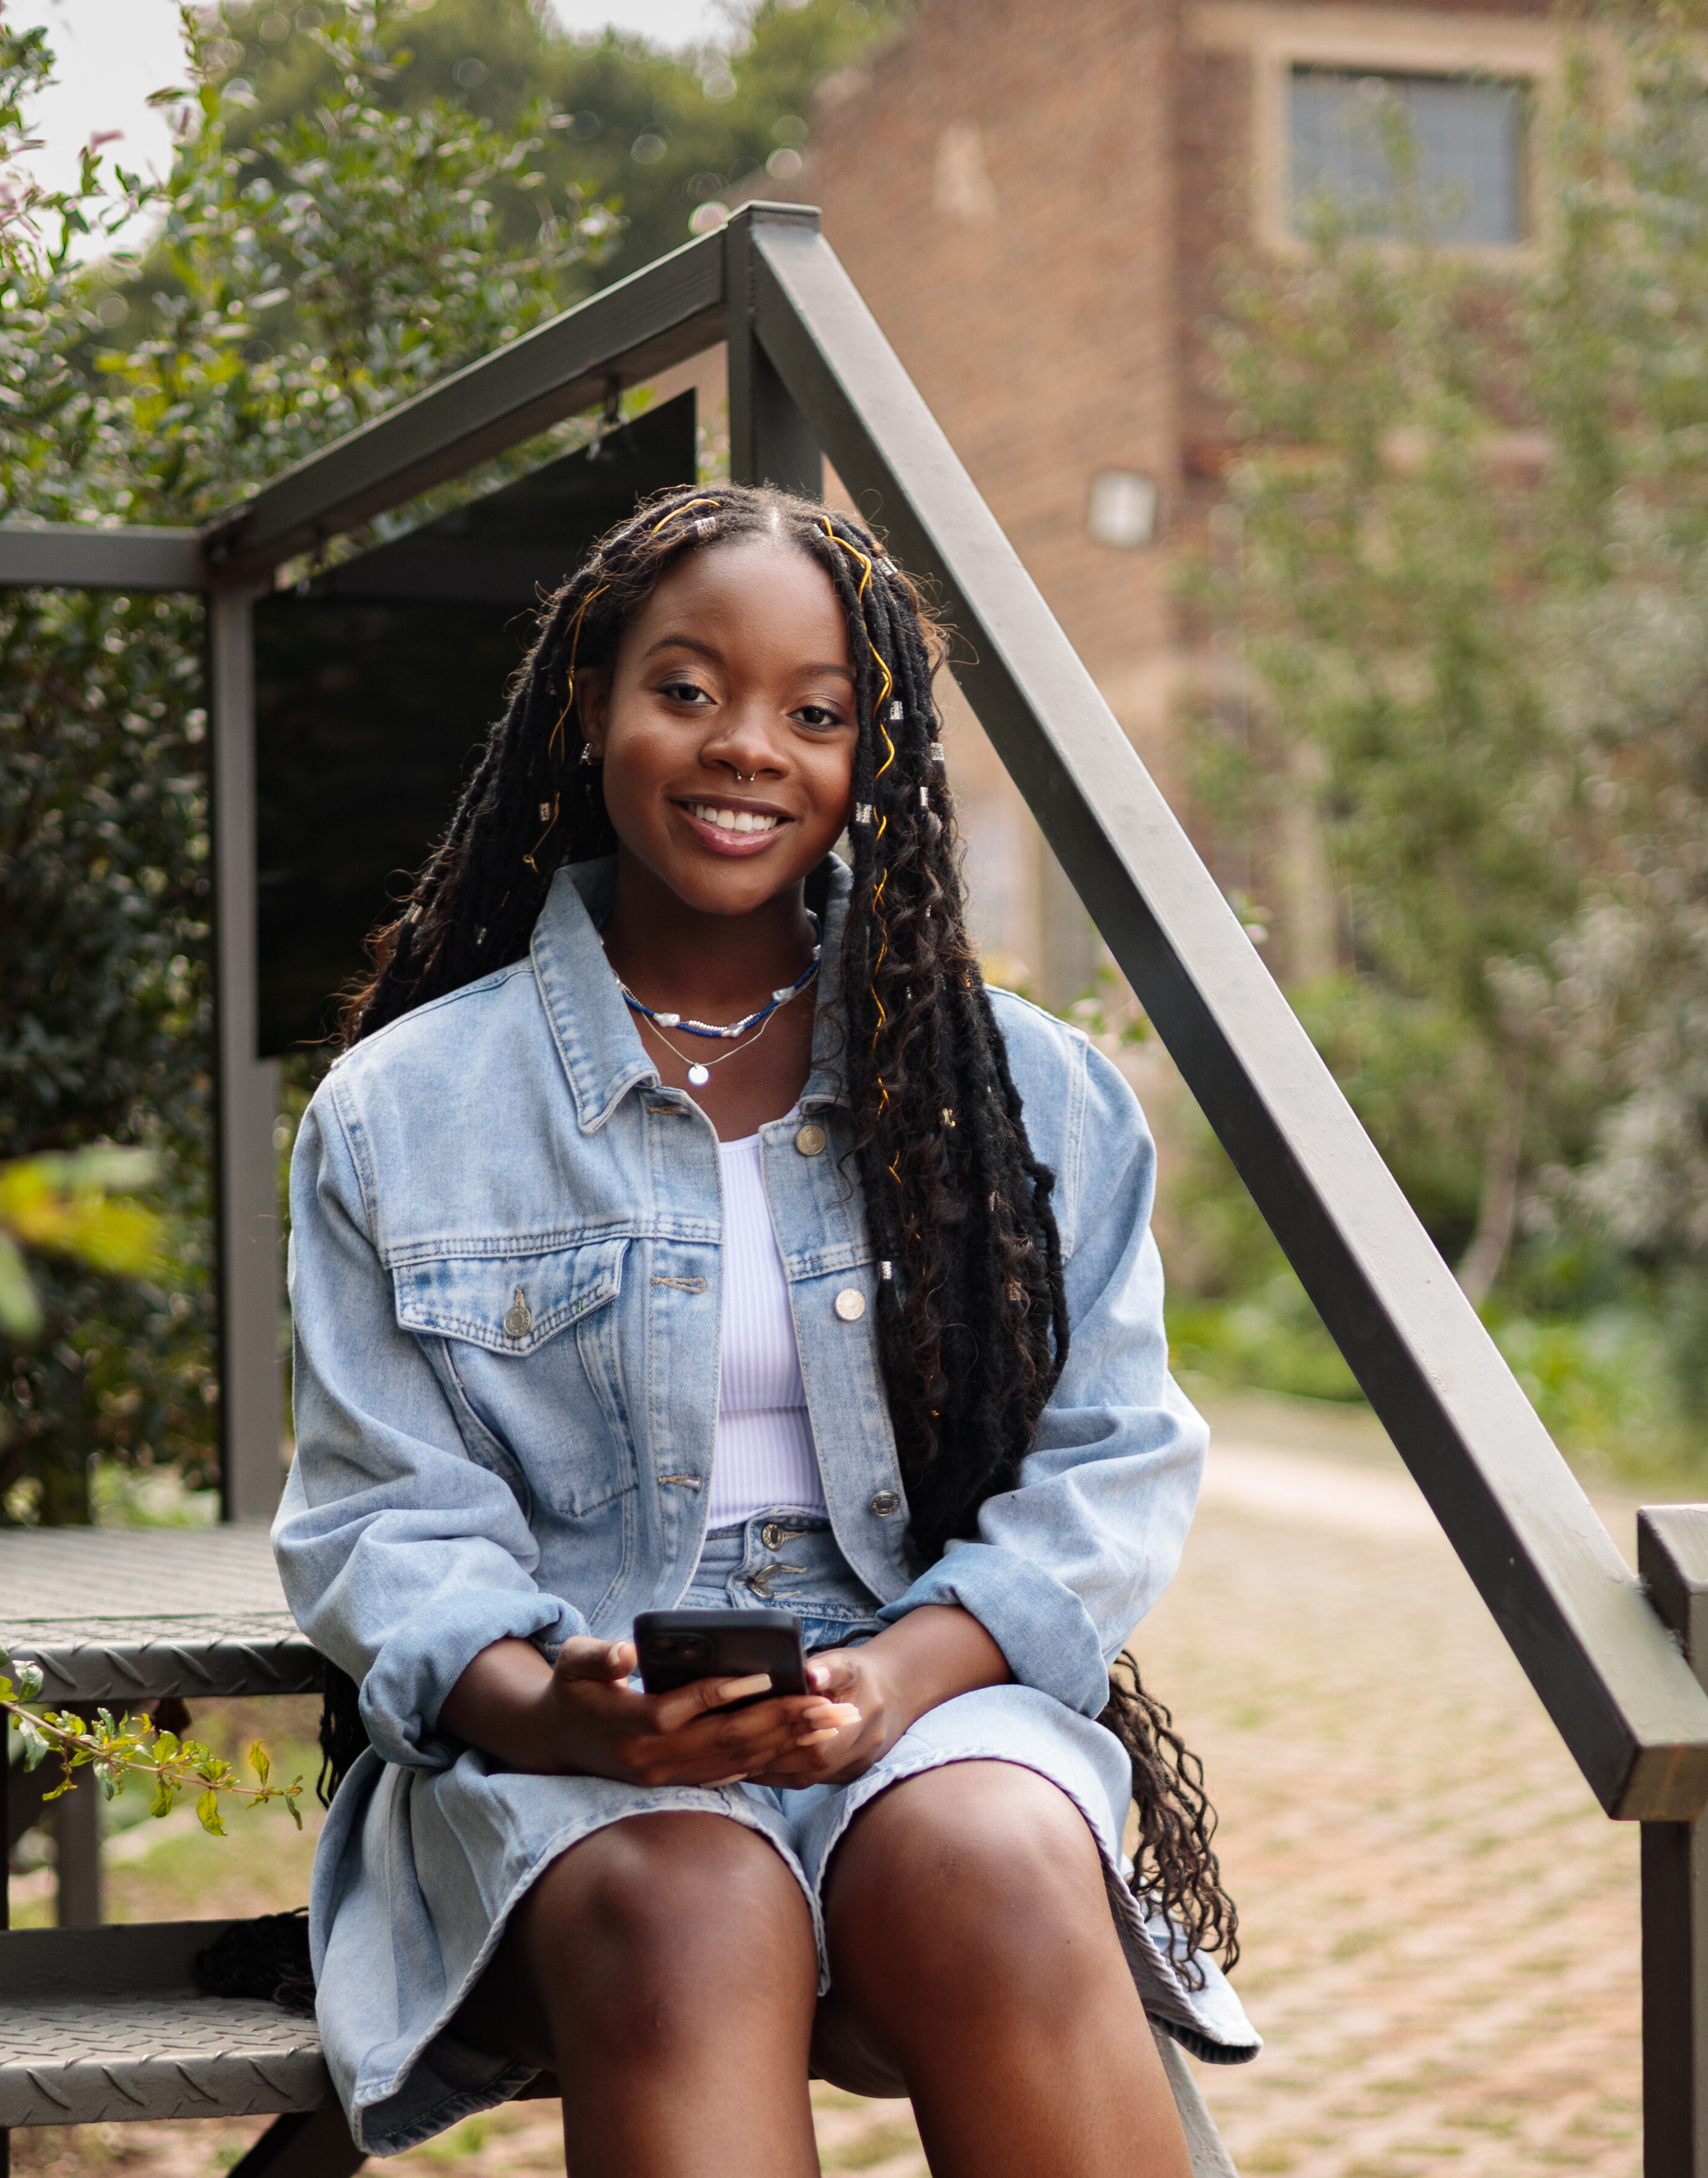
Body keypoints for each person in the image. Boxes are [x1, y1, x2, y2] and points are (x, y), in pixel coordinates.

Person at [273, 481, 1257, 2178]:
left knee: (1004, 1866)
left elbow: (1109, 1471)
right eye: (688, 690)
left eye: (816, 714)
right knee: (691, 1902)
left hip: (916, 1679)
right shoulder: (402, 1114)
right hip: (564, 1732)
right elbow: (386, 1526)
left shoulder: (1030, 1098)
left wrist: (888, 1683)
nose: (750, 749)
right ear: (590, 710)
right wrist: (560, 1707)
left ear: (871, 758)